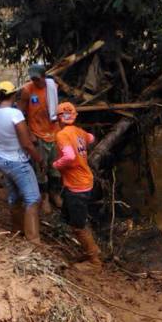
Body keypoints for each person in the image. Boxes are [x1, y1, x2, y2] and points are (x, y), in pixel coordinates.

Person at [0, 81, 43, 243]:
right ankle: (33, 239)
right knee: (33, 199)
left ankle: (17, 231)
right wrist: (39, 158)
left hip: (1, 159)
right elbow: (26, 143)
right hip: (17, 161)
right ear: (14, 95)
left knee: (14, 196)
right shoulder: (15, 114)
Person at [52, 102, 102, 271]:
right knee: (73, 219)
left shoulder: (62, 135)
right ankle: (90, 250)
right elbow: (92, 138)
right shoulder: (79, 132)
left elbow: (69, 156)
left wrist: (56, 165)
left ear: (59, 119)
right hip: (84, 181)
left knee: (78, 226)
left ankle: (94, 261)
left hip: (77, 187)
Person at [17, 64, 61, 214]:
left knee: (55, 167)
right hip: (38, 133)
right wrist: (29, 132)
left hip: (54, 132)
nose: (34, 81)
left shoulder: (52, 87)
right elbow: (20, 114)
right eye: (32, 78)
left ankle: (55, 193)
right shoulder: (27, 90)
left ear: (43, 76)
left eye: (37, 78)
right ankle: (45, 198)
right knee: (41, 168)